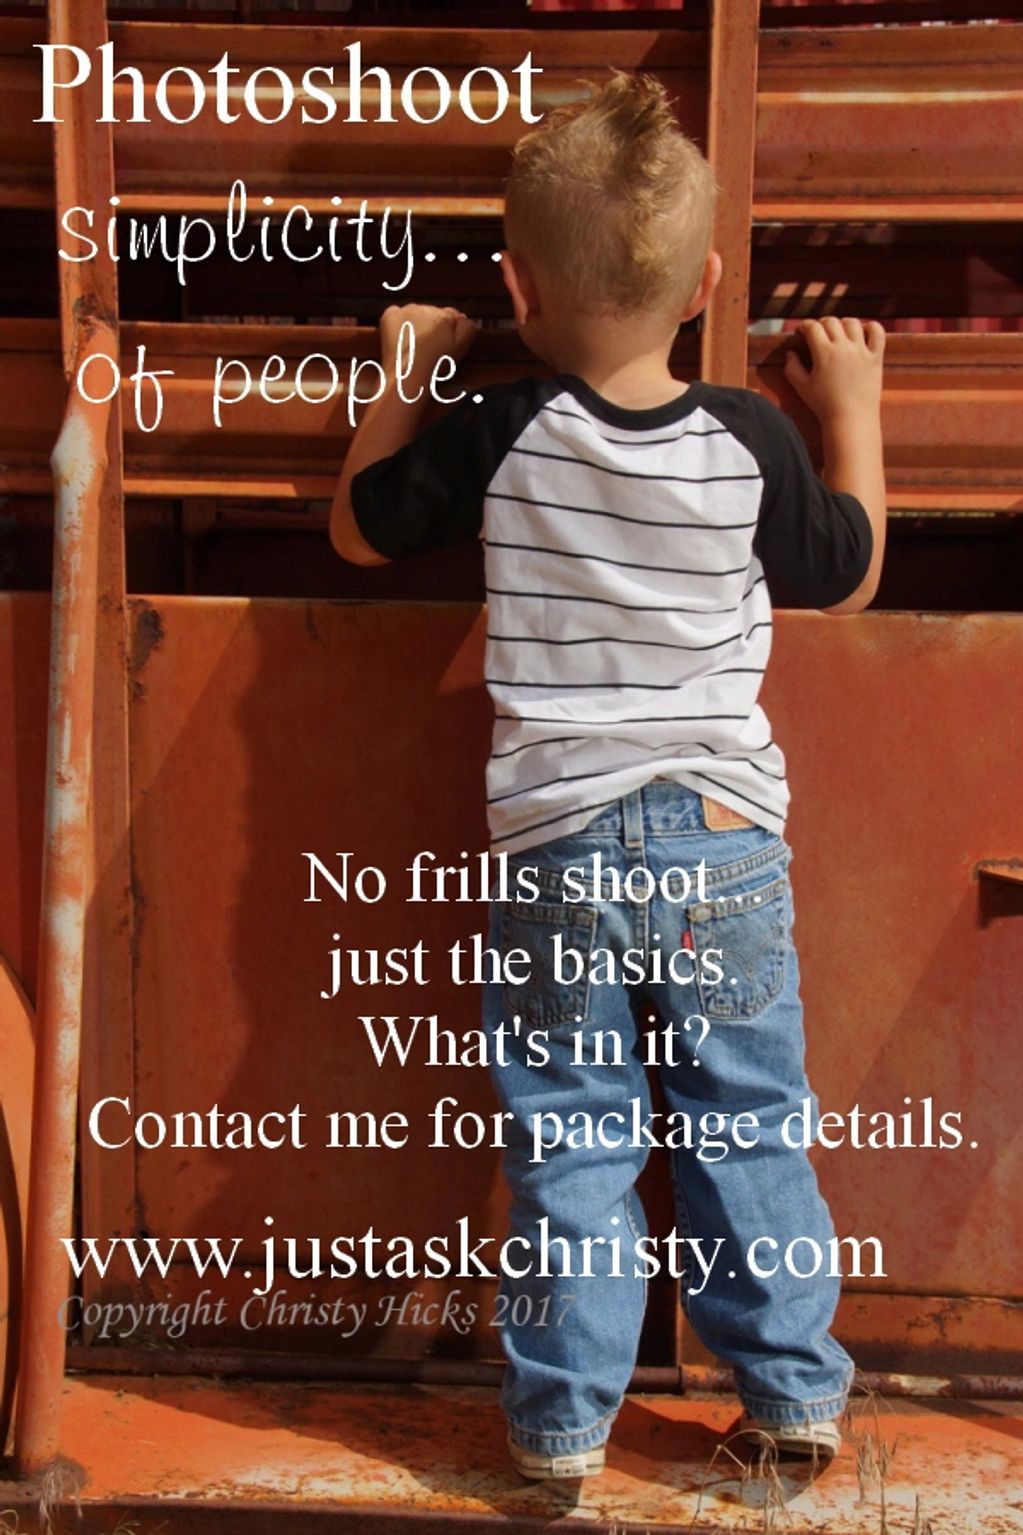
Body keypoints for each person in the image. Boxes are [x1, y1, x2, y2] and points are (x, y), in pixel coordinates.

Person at [329, 71, 886, 1480]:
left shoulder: (502, 432)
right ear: (707, 283)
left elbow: (359, 534)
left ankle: (563, 1427)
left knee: (572, 1134)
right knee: (747, 1115)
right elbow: (848, 572)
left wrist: (407, 372)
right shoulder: (750, 440)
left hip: (560, 842)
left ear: (516, 288)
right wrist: (857, 410)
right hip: (723, 837)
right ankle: (791, 1391)